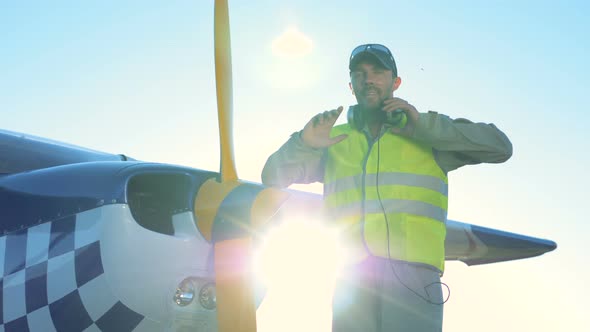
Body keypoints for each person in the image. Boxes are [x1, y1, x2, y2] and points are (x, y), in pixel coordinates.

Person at [261, 43, 512, 332]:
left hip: (414, 279)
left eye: (378, 72)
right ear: (351, 86)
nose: (368, 79)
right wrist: (302, 143)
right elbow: (272, 176)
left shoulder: (426, 133)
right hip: (352, 279)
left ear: (396, 82)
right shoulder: (333, 139)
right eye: (360, 73)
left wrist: (424, 126)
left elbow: (500, 147)